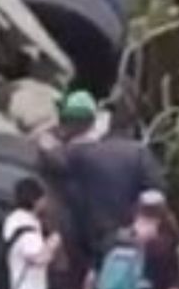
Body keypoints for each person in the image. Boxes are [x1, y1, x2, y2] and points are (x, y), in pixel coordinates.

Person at [39, 90, 166, 278]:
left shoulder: (70, 154)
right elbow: (158, 191)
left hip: (90, 242)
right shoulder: (137, 153)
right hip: (133, 237)